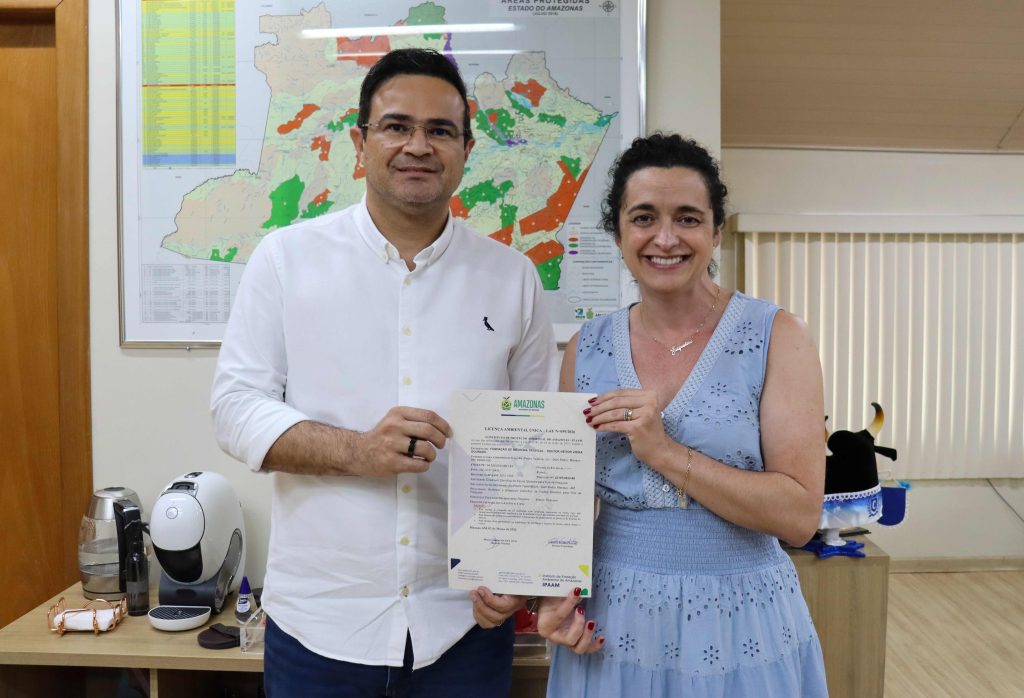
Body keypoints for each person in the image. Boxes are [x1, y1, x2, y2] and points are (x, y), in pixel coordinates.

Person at [211, 48, 559, 697]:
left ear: (466, 149)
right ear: (360, 142)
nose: (418, 146)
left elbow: (534, 446)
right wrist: (359, 451)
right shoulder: (286, 260)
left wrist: (518, 574)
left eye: (440, 130)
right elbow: (235, 408)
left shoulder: (512, 278)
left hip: (463, 626)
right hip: (319, 625)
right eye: (397, 126)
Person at [537, 133, 829, 697]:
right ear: (618, 232)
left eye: (688, 218)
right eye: (644, 217)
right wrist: (548, 593)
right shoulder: (586, 346)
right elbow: (564, 506)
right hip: (612, 622)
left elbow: (799, 517)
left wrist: (665, 452)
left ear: (716, 231)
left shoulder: (777, 335)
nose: (665, 238)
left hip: (740, 617)